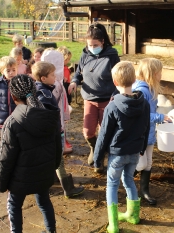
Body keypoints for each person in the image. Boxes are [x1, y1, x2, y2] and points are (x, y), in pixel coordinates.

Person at [0, 74, 61, 233]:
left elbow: (6, 157)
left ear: (13, 96)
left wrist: (1, 184)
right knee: (44, 201)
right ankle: (51, 230)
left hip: (19, 179)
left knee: (14, 205)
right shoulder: (50, 115)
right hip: (44, 174)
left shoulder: (12, 122)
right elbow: (57, 146)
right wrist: (53, 167)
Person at [93, 61, 150, 233]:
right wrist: (142, 148)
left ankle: (114, 225)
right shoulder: (144, 103)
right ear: (134, 80)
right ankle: (133, 215)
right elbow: (146, 127)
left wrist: (97, 159)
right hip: (134, 152)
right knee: (129, 180)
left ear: (115, 82)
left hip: (117, 154)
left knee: (112, 184)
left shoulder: (112, 106)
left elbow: (103, 135)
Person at [67, 22, 120, 171]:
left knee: (105, 130)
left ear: (103, 42)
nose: (92, 48)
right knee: (88, 131)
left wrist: (115, 94)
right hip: (89, 98)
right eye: (89, 45)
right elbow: (78, 73)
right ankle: (95, 148)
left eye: (95, 44)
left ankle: (101, 157)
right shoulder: (85, 54)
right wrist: (74, 82)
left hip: (106, 100)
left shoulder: (111, 56)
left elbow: (119, 77)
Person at [32, 61, 84, 198]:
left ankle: (47, 182)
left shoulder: (37, 90)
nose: (55, 77)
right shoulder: (45, 95)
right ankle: (68, 189)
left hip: (44, 135)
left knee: (49, 160)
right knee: (58, 160)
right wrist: (57, 130)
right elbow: (48, 117)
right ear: (43, 78)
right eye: (52, 75)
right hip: (52, 134)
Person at [132, 58, 171, 205]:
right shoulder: (141, 91)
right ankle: (123, 180)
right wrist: (160, 117)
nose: (161, 74)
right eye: (160, 72)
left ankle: (144, 191)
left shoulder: (151, 89)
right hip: (140, 134)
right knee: (140, 164)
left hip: (149, 133)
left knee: (148, 163)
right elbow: (141, 114)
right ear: (153, 73)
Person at [41, 49, 73, 155]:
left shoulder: (41, 85)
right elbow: (64, 104)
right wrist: (65, 116)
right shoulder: (59, 85)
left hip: (48, 120)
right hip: (56, 120)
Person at [0, 56, 18, 129]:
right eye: (8, 71)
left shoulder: (20, 83)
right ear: (2, 71)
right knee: (5, 137)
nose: (11, 73)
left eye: (14, 70)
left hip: (18, 117)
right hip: (3, 118)